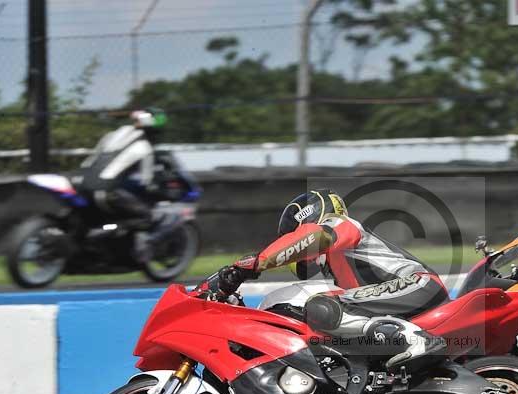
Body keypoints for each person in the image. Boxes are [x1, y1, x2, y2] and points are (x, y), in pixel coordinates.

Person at [196, 189, 449, 371]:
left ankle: (415, 339)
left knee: (321, 306)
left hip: (416, 284)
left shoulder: (340, 224)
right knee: (296, 307)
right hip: (392, 297)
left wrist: (258, 261)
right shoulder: (336, 268)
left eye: (293, 233)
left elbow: (316, 236)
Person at [79, 108, 197, 260]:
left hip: (82, 186)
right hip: (108, 192)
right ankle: (132, 247)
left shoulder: (112, 135)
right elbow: (145, 183)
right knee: (146, 217)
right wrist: (164, 193)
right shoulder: (145, 148)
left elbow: (90, 161)